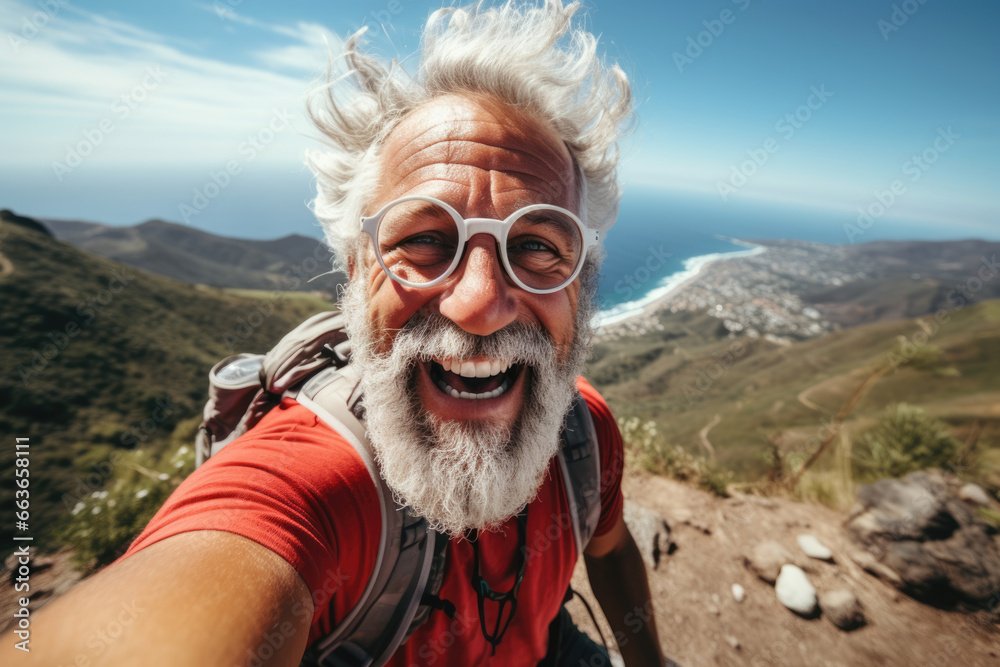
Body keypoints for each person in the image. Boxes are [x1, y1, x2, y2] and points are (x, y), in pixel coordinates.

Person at [7, 1, 667, 664]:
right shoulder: (307, 487)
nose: (481, 302)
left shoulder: (586, 435)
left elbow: (610, 549)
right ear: (357, 272)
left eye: (536, 245)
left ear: (580, 285)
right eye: (427, 238)